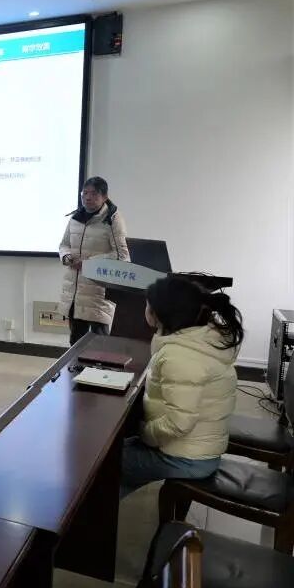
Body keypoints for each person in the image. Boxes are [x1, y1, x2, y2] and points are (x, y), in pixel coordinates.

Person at [120, 276, 243, 498]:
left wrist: (144, 432)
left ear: (159, 313)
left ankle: (91, 515)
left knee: (107, 462)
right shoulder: (202, 339)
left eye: (147, 304)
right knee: (119, 453)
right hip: (198, 449)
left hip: (187, 458)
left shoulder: (179, 355)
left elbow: (178, 423)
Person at [58, 176, 130, 344]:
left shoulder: (112, 219)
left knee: (101, 345)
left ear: (104, 197)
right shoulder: (75, 217)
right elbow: (64, 245)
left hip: (99, 291)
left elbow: (121, 255)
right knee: (76, 342)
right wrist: (67, 257)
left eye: (94, 194)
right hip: (75, 290)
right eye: (85, 193)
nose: (88, 198)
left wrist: (89, 263)